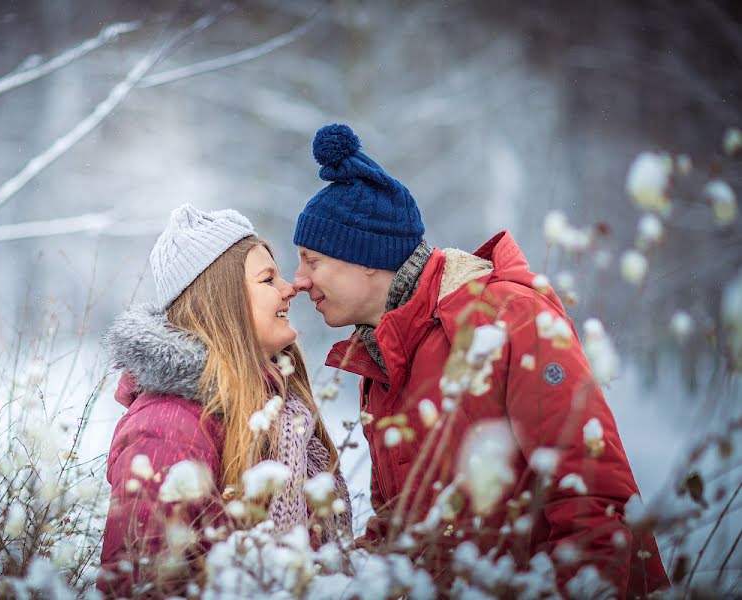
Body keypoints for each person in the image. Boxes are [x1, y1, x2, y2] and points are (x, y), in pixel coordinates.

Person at [291, 123, 669, 597]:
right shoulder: (383, 357)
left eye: (311, 260)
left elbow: (593, 496)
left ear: (366, 258)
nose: (299, 280)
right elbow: (403, 530)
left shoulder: (509, 319)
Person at [97, 205, 351, 597]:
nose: (290, 289)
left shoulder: (274, 411)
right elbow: (146, 584)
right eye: (268, 279)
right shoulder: (169, 425)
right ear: (223, 303)